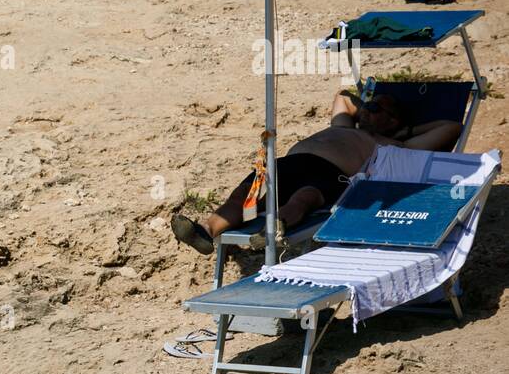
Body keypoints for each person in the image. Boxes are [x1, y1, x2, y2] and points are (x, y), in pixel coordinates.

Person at [171, 90, 461, 255]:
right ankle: (206, 231)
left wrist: (402, 128)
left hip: (331, 173)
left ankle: (272, 231)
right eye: (369, 104)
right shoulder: (345, 125)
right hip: (288, 162)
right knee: (245, 198)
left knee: (304, 199)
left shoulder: (394, 143)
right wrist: (367, 108)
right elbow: (343, 97)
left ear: (394, 120)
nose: (368, 110)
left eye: (378, 108)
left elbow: (451, 128)